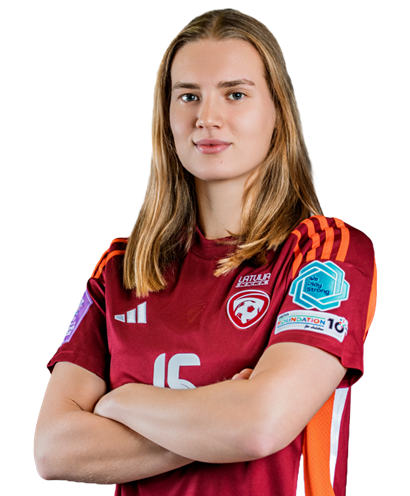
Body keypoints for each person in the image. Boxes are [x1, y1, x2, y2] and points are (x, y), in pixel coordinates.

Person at [33, 8, 377, 496]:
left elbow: (260, 425)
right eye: (188, 96)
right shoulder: (121, 269)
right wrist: (223, 420)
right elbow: (54, 449)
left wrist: (122, 402)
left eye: (235, 94)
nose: (207, 118)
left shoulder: (324, 251)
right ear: (166, 117)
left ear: (278, 112)